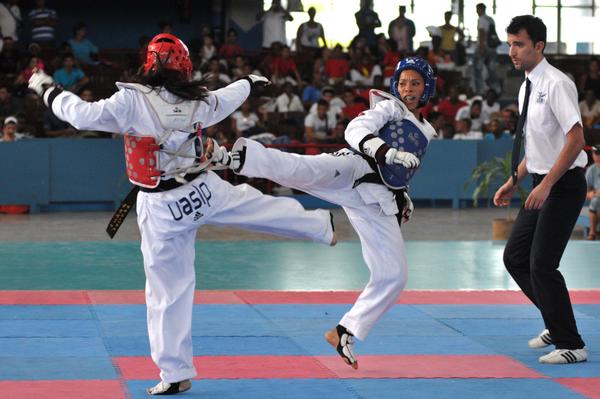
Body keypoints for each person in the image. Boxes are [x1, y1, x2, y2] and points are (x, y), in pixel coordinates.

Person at [28, 32, 336, 395]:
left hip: (161, 206)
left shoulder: (131, 101)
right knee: (254, 206)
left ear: (149, 64)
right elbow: (228, 98)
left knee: (167, 292)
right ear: (186, 68)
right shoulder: (199, 100)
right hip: (202, 189)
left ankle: (175, 374)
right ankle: (319, 225)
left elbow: (80, 115)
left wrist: (46, 87)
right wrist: (250, 82)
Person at [210, 56, 437, 369]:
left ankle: (344, 330)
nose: (407, 88)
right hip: (352, 169)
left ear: (428, 88)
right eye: (403, 82)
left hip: (376, 198)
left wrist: (403, 197)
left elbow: (400, 174)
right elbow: (355, 129)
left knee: (394, 274)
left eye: (415, 83)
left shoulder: (426, 130)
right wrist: (385, 152)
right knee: (301, 169)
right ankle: (230, 157)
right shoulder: (390, 108)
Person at [493, 15, 588, 364]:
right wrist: (514, 179)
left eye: (519, 44)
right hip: (540, 183)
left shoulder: (556, 83)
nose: (512, 52)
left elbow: (576, 140)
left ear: (539, 46)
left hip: (562, 186)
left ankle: (572, 345)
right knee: (515, 258)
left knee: (542, 264)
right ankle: (555, 320)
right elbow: (536, 146)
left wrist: (547, 185)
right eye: (510, 44)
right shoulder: (527, 86)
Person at [473, 3, 501, 94]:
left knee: (478, 69)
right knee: (491, 69)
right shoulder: (490, 19)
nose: (476, 11)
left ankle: (481, 90)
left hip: (484, 47)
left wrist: (481, 47)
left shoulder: (481, 19)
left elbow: (482, 33)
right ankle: (496, 89)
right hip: (492, 48)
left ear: (481, 9)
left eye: (477, 9)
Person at [586, 146, 600, 240]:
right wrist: (592, 193)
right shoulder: (591, 169)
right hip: (597, 199)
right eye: (596, 153)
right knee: (595, 201)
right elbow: (586, 192)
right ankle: (592, 232)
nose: (598, 156)